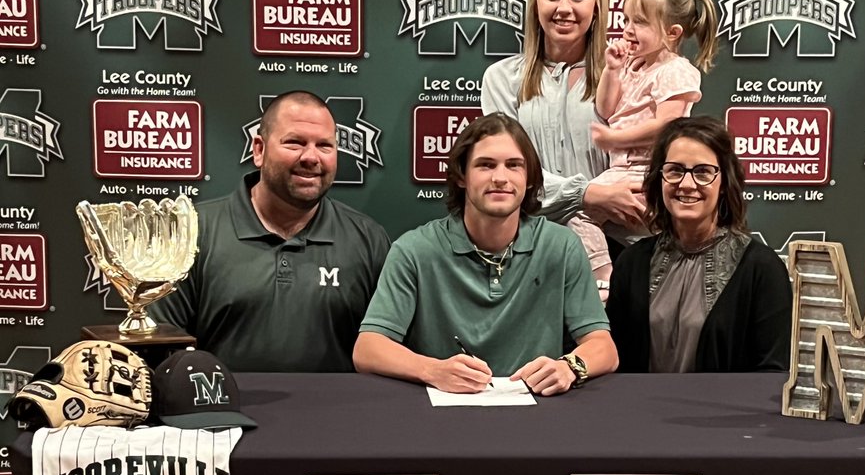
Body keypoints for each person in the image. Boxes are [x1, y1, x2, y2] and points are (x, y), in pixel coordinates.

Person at [353, 113, 618, 394]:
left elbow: (604, 348)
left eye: (514, 165)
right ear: (461, 177)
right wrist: (431, 370)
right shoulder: (414, 250)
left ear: (530, 179)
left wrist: (568, 367)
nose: (500, 177)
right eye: (485, 165)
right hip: (442, 416)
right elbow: (368, 348)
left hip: (539, 414)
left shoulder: (561, 246)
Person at [153, 90, 390, 372]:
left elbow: (388, 352)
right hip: (221, 413)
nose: (311, 157)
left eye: (324, 146)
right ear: (259, 150)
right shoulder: (190, 232)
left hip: (340, 414)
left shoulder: (368, 240)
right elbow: (163, 352)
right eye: (295, 142)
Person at [480, 0, 647, 243]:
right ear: (535, 2)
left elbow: (643, 157)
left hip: (624, 242)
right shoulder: (502, 79)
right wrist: (587, 195)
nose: (564, 8)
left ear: (598, 5)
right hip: (532, 243)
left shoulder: (630, 72)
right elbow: (507, 168)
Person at [606, 115, 792, 373]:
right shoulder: (632, 263)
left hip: (719, 413)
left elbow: (772, 374)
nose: (687, 184)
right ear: (660, 178)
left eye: (703, 172)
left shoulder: (761, 269)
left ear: (724, 183)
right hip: (640, 411)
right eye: (675, 170)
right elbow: (614, 361)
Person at [571, 0, 720, 295]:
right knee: (577, 208)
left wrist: (615, 140)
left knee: (580, 209)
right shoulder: (631, 65)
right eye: (625, 19)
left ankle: (612, 282)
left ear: (672, 33)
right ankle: (607, 276)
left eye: (640, 22)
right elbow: (606, 107)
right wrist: (611, 70)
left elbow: (668, 125)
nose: (627, 28)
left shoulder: (675, 71)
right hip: (619, 171)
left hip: (650, 173)